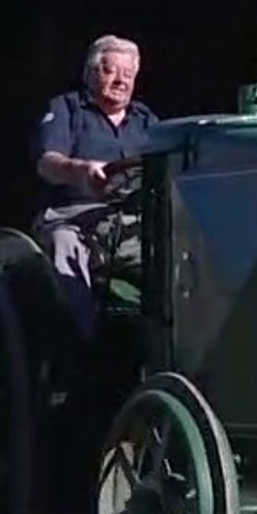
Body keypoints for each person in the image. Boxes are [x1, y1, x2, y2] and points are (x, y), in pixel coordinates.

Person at [31, 34, 158, 345]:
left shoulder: (146, 121)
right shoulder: (66, 109)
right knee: (64, 247)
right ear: (91, 73)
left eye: (128, 74)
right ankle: (80, 350)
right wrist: (82, 171)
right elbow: (47, 162)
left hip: (132, 222)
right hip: (73, 217)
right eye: (111, 71)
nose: (121, 81)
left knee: (173, 247)